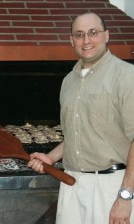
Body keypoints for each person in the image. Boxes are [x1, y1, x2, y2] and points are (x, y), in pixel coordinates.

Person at [28, 12, 134, 224]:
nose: (86, 40)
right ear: (71, 41)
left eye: (93, 33)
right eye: (79, 35)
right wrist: (51, 158)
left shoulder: (126, 76)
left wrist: (126, 196)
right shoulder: (68, 81)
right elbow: (77, 134)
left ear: (106, 36)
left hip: (111, 187)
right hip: (72, 185)